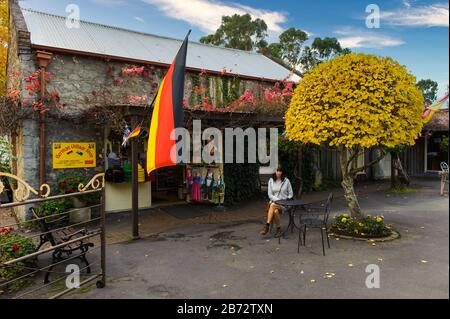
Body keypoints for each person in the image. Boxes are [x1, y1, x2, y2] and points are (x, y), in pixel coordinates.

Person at [261, 166, 293, 238]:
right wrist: (277, 200)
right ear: (275, 172)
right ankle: (278, 229)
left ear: (282, 172)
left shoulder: (286, 181)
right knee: (275, 211)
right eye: (277, 171)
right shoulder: (271, 181)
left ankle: (267, 226)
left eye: (280, 171)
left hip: (284, 204)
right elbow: (270, 194)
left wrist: (285, 200)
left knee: (272, 205)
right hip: (275, 203)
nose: (278, 172)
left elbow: (291, 194)